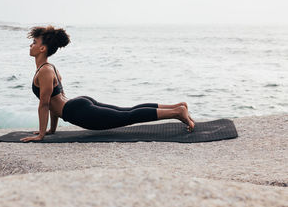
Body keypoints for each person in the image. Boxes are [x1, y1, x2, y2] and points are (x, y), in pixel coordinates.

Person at [20, 26, 195, 142]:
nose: (31, 45)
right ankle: (177, 106)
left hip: (77, 111)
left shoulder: (44, 71)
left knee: (128, 116)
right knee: (128, 111)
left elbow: (45, 104)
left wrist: (41, 135)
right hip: (77, 105)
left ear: (42, 49)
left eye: (34, 42)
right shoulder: (50, 68)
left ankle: (176, 112)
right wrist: (51, 130)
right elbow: (52, 102)